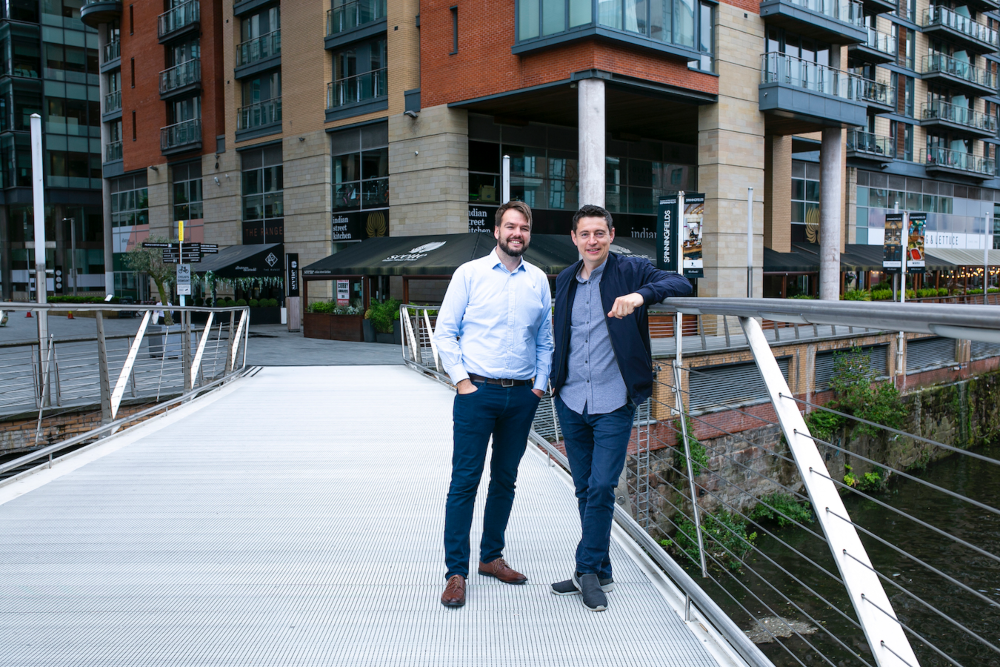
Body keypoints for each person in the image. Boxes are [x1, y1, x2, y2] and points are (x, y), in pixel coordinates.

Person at [550, 204, 692, 611]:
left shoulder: (631, 270)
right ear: (574, 238)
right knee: (583, 488)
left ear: (611, 235)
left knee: (601, 486)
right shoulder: (564, 280)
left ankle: (585, 571)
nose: (592, 241)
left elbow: (681, 283)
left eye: (600, 233)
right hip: (571, 398)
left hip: (614, 399)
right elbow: (562, 334)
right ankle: (603, 570)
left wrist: (639, 296)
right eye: (585, 234)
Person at [433, 200, 553, 609]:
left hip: (521, 396)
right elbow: (444, 332)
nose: (516, 233)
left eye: (523, 228)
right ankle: (455, 572)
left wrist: (537, 387)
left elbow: (545, 340)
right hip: (477, 394)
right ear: (497, 230)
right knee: (465, 482)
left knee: (505, 480)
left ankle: (491, 557)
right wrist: (462, 382)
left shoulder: (538, 280)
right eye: (510, 226)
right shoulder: (469, 274)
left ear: (528, 234)